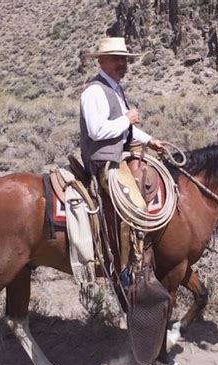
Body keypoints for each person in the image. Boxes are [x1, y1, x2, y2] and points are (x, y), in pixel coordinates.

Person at [79, 37, 164, 279]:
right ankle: (125, 269)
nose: (122, 63)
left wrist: (149, 140)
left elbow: (125, 129)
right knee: (135, 207)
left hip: (118, 156)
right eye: (116, 59)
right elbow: (97, 130)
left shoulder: (115, 89)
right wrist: (127, 118)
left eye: (124, 59)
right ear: (101, 61)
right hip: (104, 162)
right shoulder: (95, 91)